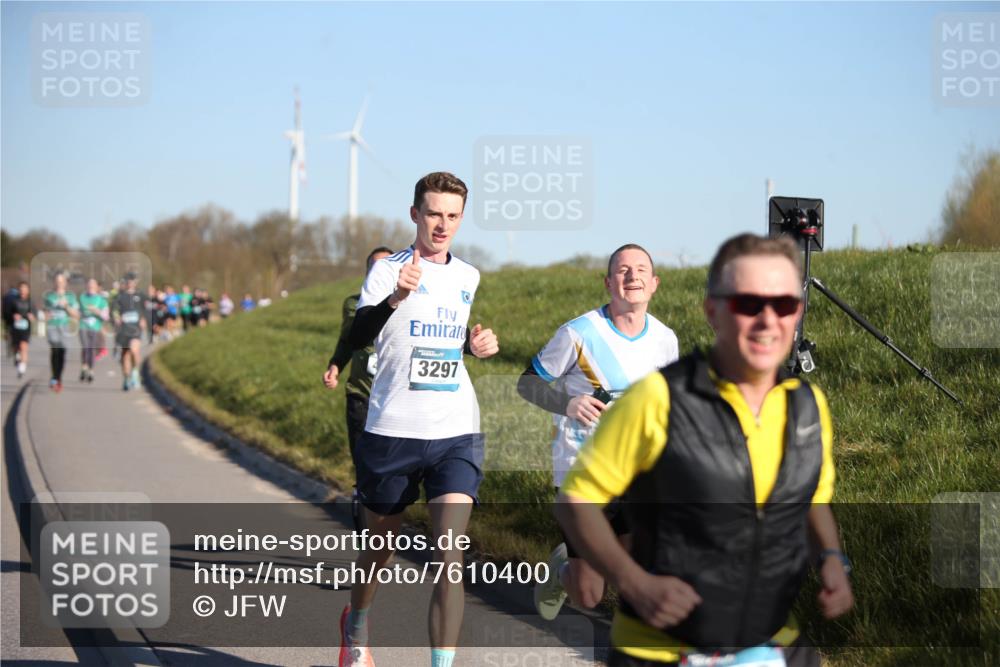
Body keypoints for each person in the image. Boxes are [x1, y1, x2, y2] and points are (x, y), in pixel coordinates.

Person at [555, 233, 854, 667]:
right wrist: (636, 584)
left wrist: (831, 558)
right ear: (713, 311)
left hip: (773, 645)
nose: (768, 320)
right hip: (661, 650)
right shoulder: (656, 399)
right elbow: (575, 503)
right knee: (587, 588)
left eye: (784, 305)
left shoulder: (808, 407)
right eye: (748, 304)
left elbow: (813, 498)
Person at [338, 172, 499, 667]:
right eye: (433, 213)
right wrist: (393, 300)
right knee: (379, 552)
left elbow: (443, 345)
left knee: (450, 557)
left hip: (455, 430)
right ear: (414, 214)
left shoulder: (468, 276)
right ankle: (357, 623)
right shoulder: (389, 271)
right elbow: (362, 334)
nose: (442, 224)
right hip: (392, 432)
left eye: (452, 215)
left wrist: (474, 348)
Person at [518, 244, 679, 621]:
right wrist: (568, 404)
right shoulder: (578, 333)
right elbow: (528, 384)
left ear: (654, 283)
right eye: (623, 270)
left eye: (641, 270)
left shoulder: (665, 339)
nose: (632, 277)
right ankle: (563, 570)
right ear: (608, 282)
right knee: (588, 594)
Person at [324, 246, 394, 529]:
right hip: (360, 393)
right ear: (368, 273)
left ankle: (384, 521)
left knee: (389, 466)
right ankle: (367, 524)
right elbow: (346, 340)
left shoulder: (411, 302)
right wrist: (335, 366)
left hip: (392, 396)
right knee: (364, 461)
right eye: (376, 267)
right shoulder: (353, 303)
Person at [43, 272, 80, 392]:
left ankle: (57, 378)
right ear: (54, 282)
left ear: (65, 283)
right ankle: (54, 377)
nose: (59, 284)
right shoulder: (49, 296)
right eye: (57, 281)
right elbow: (45, 313)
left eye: (61, 281)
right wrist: (47, 315)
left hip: (65, 328)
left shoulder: (70, 297)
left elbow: (76, 315)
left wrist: (66, 306)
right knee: (55, 350)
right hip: (53, 326)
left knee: (62, 353)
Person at [112, 273, 147, 391]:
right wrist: (116, 317)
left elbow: (147, 309)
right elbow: (114, 310)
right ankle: (126, 378)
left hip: (136, 328)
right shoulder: (120, 296)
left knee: (134, 350)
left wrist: (144, 319)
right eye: (128, 281)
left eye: (132, 281)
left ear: (135, 282)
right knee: (125, 355)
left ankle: (135, 372)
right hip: (124, 329)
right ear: (125, 283)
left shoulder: (141, 295)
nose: (130, 283)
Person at [78, 278, 109, 383]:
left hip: (95, 327)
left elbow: (106, 316)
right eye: (89, 284)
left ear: (97, 287)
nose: (91, 286)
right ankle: (84, 366)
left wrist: (97, 311)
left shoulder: (101, 300)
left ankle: (91, 370)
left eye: (93, 284)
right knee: (85, 346)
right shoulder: (82, 297)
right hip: (83, 326)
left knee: (92, 349)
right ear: (86, 286)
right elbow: (78, 311)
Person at [3, 281, 35, 379]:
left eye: (25, 289)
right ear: (19, 290)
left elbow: (34, 315)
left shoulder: (30, 302)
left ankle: (22, 368)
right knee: (16, 346)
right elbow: (7, 314)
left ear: (28, 291)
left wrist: (31, 316)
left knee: (24, 346)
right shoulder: (13, 301)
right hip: (15, 327)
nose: (23, 291)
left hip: (26, 328)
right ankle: (17, 355)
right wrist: (13, 316)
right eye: (21, 289)